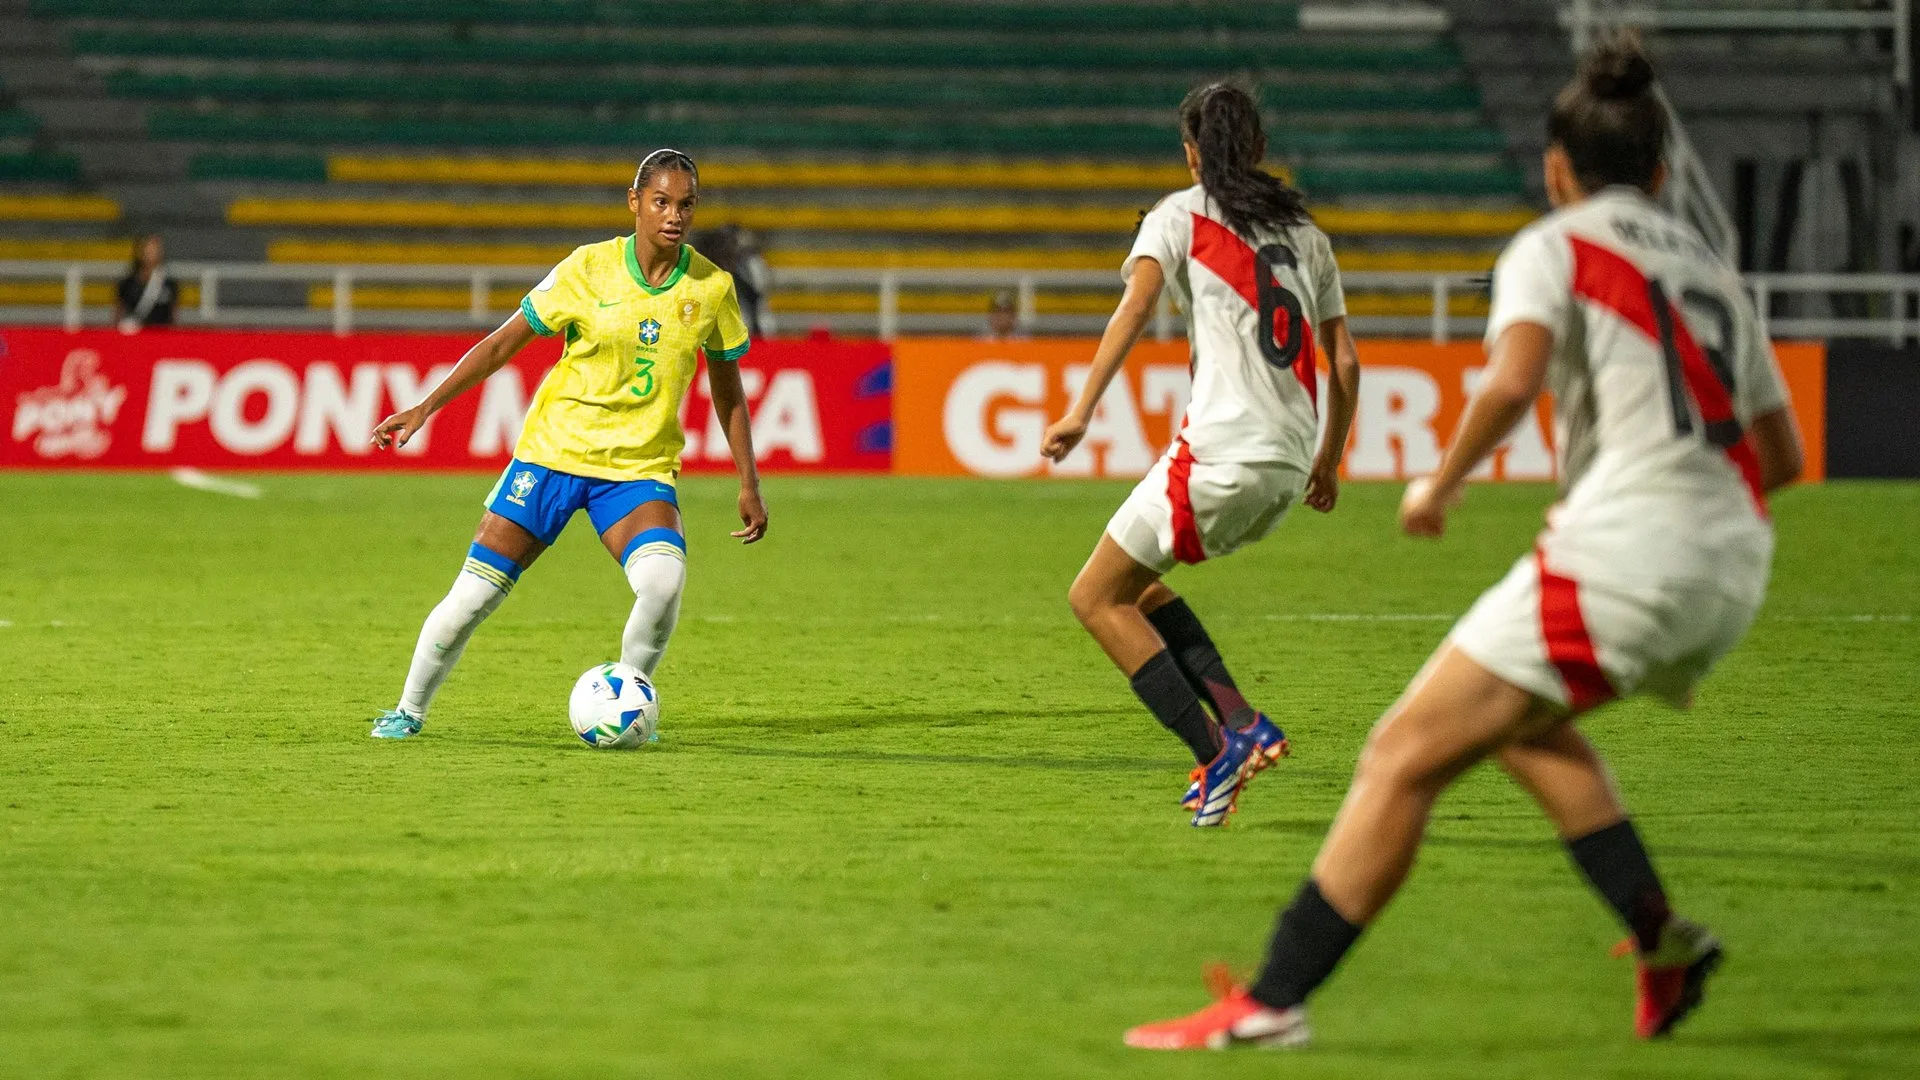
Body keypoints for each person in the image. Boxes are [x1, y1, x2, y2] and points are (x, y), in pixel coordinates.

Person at [1124, 36, 1805, 1049]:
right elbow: (1780, 453)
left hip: (1626, 552)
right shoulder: (1710, 264)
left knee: (1401, 754)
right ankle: (1662, 940)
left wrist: (1439, 484)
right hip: (1732, 562)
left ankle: (1270, 1001)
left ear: (1557, 169)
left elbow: (1514, 380)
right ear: (1661, 173)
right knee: (1521, 727)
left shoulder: (1558, 244)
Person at [1041, 83, 1362, 827]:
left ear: (1192, 151)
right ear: (1258, 149)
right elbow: (1343, 362)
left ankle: (1216, 750)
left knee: (1093, 598)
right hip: (1285, 462)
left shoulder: (1179, 215)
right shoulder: (1306, 234)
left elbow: (1135, 309)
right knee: (1138, 587)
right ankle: (1243, 720)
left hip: (1221, 453)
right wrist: (1329, 457)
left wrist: (1080, 411)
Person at [364, 149, 768, 740]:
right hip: (552, 457)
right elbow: (504, 344)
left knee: (662, 584)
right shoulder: (587, 268)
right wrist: (426, 406)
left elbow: (726, 388)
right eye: (660, 202)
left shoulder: (711, 289)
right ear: (635, 203)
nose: (673, 216)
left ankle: (625, 705)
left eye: (685, 204)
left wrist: (748, 481)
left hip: (636, 470)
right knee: (474, 596)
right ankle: (408, 710)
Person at [114, 234, 177, 333]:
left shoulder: (169, 284)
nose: (150, 253)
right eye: (148, 249)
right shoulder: (128, 283)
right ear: (140, 252)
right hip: (134, 335)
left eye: (154, 249)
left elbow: (173, 316)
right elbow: (119, 312)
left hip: (161, 336)